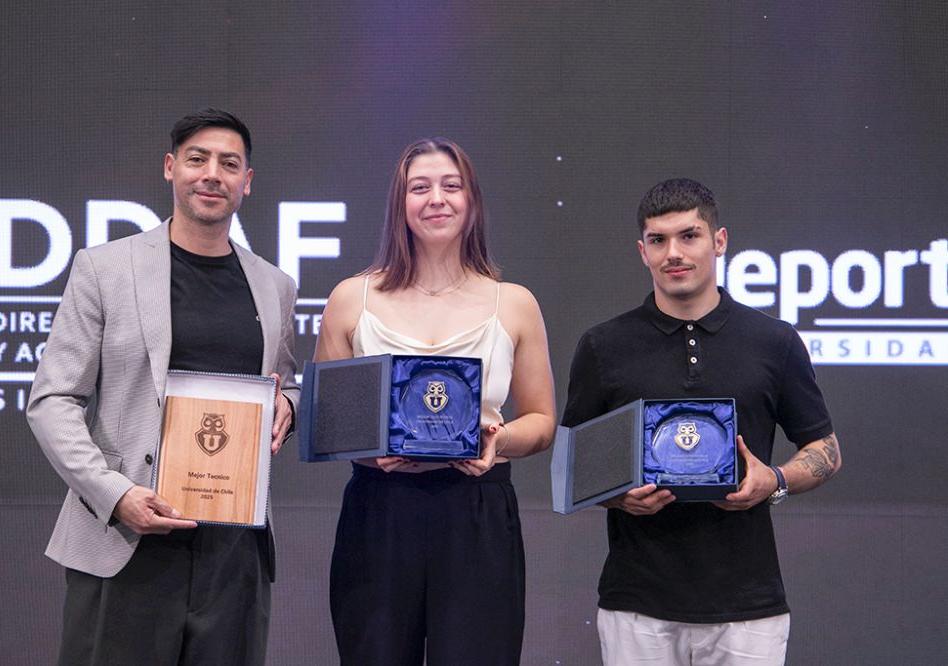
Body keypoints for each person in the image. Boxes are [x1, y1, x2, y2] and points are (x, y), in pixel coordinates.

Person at [26, 108, 299, 665]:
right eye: (197, 159)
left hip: (233, 550)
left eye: (229, 164)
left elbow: (283, 382)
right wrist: (115, 494)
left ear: (247, 182)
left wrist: (287, 407)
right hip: (128, 539)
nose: (212, 174)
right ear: (171, 168)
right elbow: (53, 399)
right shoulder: (105, 268)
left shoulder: (275, 286)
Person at [562, 178, 842, 666]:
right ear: (642, 251)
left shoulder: (773, 341)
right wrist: (618, 496)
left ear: (719, 241)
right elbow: (572, 466)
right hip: (637, 604)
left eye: (689, 236)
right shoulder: (604, 345)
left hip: (749, 607)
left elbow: (825, 450)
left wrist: (773, 480)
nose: (674, 252)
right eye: (658, 240)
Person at [314, 137, 556, 665]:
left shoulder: (513, 303)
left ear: (472, 202)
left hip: (478, 511)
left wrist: (498, 439)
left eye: (452, 186)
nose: (436, 199)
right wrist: (365, 450)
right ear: (399, 205)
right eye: (419, 188)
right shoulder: (352, 298)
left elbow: (541, 421)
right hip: (380, 509)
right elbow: (327, 419)